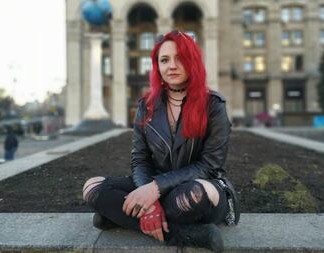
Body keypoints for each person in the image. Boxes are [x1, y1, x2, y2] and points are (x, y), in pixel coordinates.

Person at [82, 30, 240, 252]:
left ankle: (116, 217)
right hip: (153, 182)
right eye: (164, 60)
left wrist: (155, 190)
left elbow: (209, 165)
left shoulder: (214, 105)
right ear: (157, 66)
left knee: (191, 197)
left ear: (192, 61)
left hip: (201, 185)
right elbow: (140, 159)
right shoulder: (146, 106)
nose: (172, 66)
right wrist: (150, 200)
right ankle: (188, 234)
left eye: (180, 58)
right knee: (92, 187)